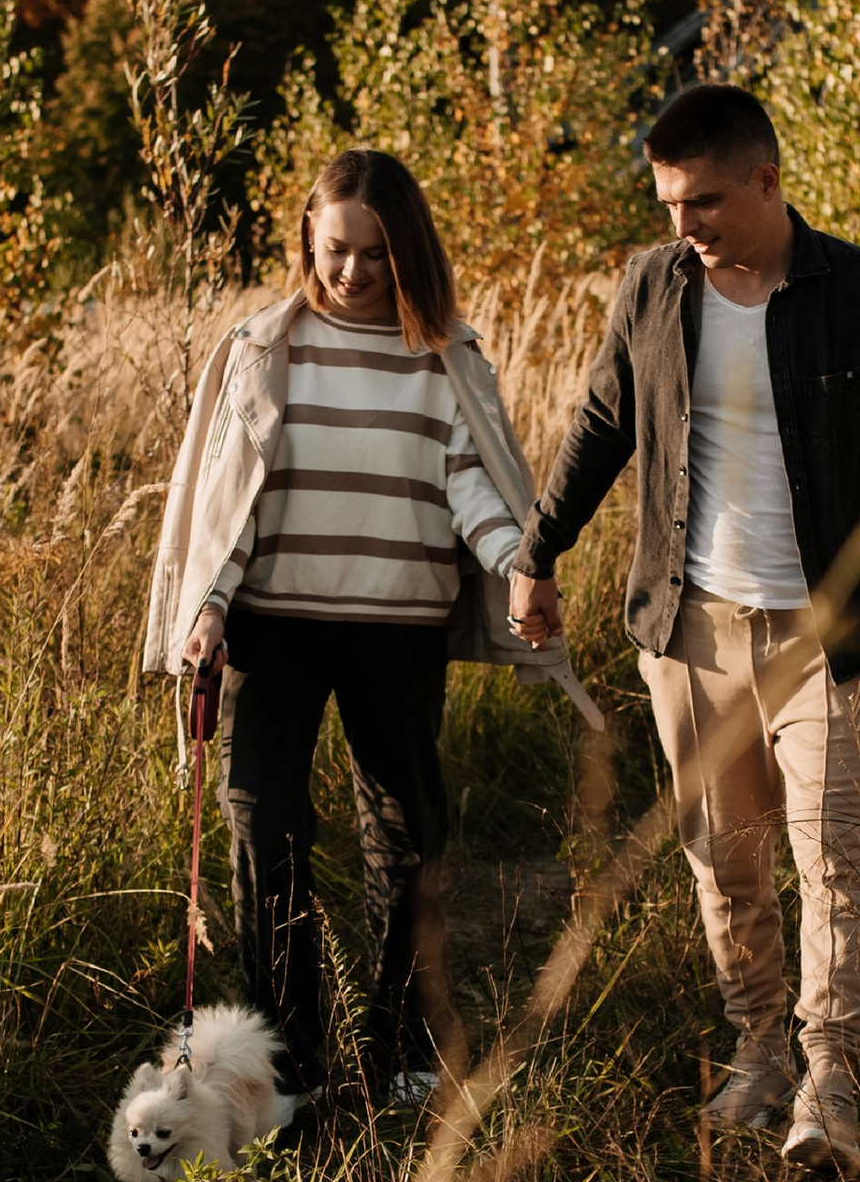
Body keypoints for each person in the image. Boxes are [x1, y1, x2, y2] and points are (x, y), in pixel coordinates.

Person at [508, 82, 860, 1171]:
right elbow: (603, 425)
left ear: (765, 181)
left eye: (703, 202)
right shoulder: (653, 288)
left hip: (830, 637)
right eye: (668, 203)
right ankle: (759, 1049)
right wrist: (537, 551)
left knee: (834, 858)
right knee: (726, 861)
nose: (684, 225)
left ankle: (832, 1077)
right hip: (691, 631)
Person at [142, 146, 592, 1111]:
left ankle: (399, 1045)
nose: (353, 272)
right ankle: (288, 1064)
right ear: (308, 239)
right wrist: (209, 607)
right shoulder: (267, 347)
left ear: (409, 253)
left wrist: (516, 561)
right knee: (263, 820)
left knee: (408, 831)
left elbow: (471, 481)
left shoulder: (444, 355)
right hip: (276, 627)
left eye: (377, 254)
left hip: (397, 626)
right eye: (337, 249)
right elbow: (233, 502)